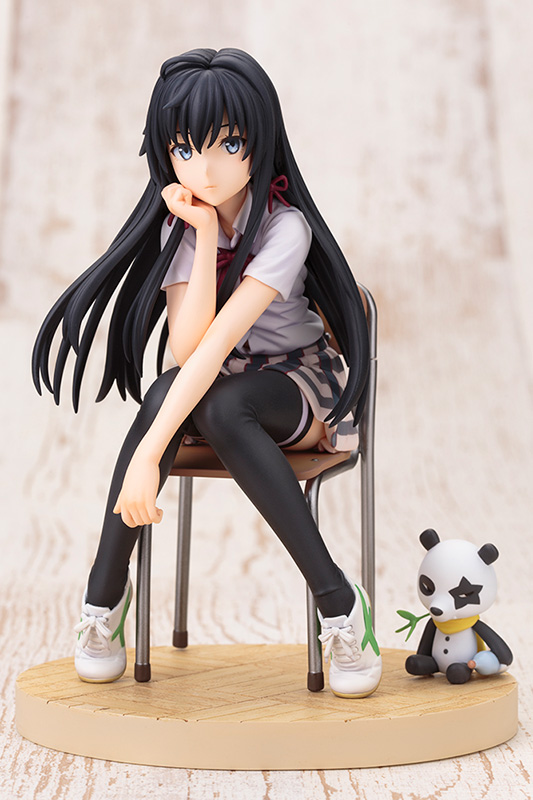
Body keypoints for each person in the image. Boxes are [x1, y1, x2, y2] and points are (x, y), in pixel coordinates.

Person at [32, 48, 382, 698]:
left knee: (217, 405)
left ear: (260, 142)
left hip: (297, 385)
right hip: (217, 382)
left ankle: (338, 601)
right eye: (185, 149)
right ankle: (105, 597)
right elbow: (187, 347)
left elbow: (216, 345)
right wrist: (195, 232)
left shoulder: (285, 227)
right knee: (172, 391)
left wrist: (148, 456)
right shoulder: (184, 225)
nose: (206, 168)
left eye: (229, 144)